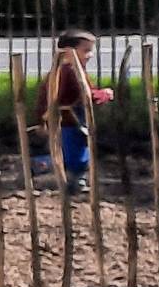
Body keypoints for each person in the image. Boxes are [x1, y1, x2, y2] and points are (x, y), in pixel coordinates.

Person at [48, 30, 114, 197]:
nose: (90, 55)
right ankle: (43, 167)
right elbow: (86, 95)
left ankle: (77, 181)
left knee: (77, 151)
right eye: (86, 50)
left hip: (73, 117)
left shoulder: (69, 70)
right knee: (74, 153)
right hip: (70, 119)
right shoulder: (69, 72)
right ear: (69, 52)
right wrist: (104, 94)